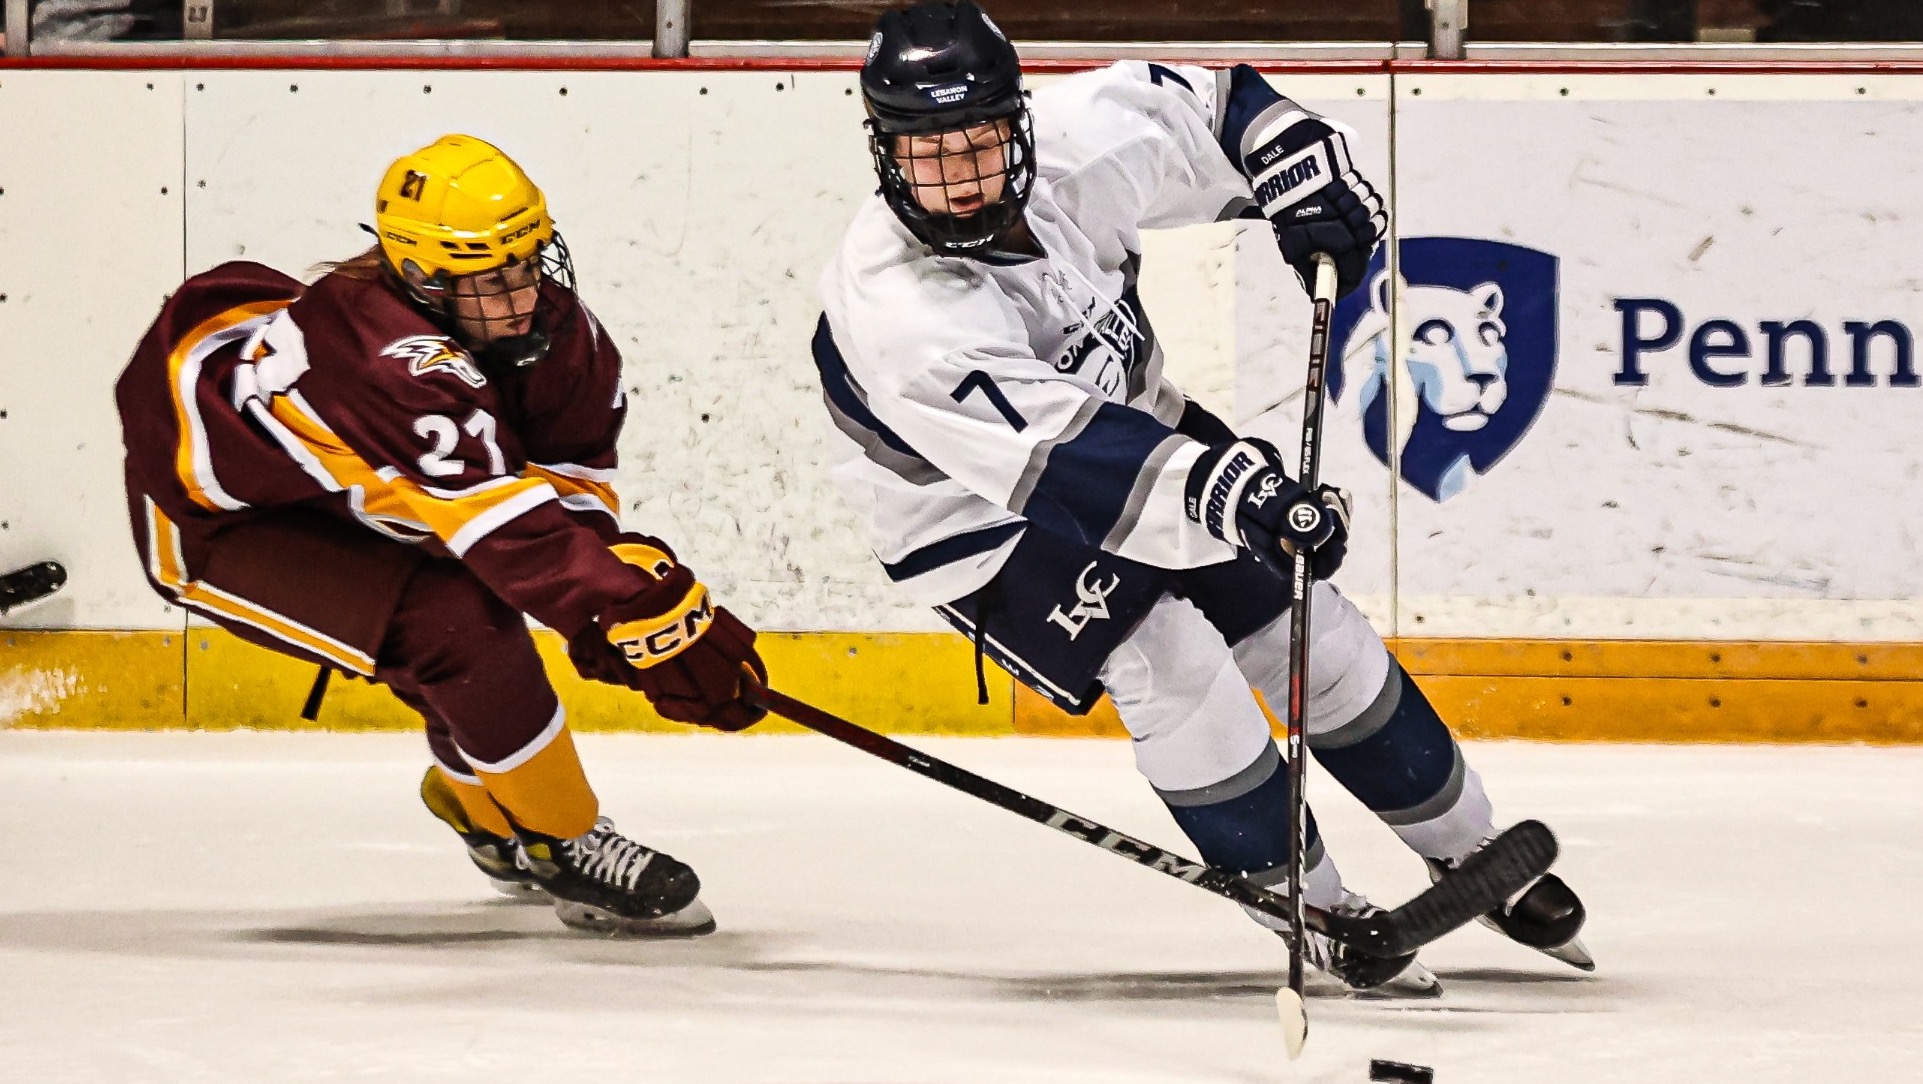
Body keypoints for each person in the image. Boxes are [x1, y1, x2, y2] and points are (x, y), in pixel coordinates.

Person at [814, 1, 1589, 994]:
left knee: (1310, 629)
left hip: (1137, 430)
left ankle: (1468, 849)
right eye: (929, 154)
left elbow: (1222, 103)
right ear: (885, 152)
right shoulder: (900, 308)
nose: (961, 177)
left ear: (1019, 121)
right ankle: (1308, 903)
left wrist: (1296, 165)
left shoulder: (1077, 148)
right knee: (1174, 661)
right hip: (979, 519)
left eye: (979, 142)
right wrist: (1242, 496)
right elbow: (1069, 461)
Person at [115, 133, 767, 937]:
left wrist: (620, 585)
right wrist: (619, 604)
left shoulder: (564, 336)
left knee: (468, 611)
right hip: (226, 519)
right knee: (452, 624)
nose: (524, 294)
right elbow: (511, 537)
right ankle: (564, 844)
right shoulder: (383, 358)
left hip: (358, 479)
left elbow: (566, 482)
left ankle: (484, 812)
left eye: (530, 263)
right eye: (492, 279)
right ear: (422, 278)